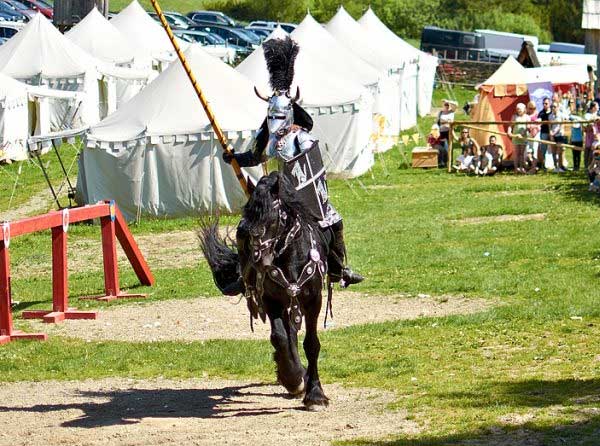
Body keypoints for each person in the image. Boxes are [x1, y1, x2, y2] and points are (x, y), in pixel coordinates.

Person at [223, 36, 363, 288]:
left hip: (303, 198)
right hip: (276, 194)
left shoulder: (302, 138)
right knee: (247, 227)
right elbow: (256, 157)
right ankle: (243, 276)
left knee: (335, 221)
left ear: (290, 113)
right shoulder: (266, 137)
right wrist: (234, 158)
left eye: (280, 114)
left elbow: (312, 169)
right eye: (271, 114)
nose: (275, 120)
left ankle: (338, 270)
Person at [508, 103, 530, 174]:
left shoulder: (527, 117)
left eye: (520, 109)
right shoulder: (514, 117)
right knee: (516, 153)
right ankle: (516, 168)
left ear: (524, 109)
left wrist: (522, 134)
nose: (518, 110)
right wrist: (509, 132)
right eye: (517, 109)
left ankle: (521, 167)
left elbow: (528, 127)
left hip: (523, 137)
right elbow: (510, 126)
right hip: (516, 137)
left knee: (522, 153)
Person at [549, 101, 567, 172]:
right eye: (552, 107)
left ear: (558, 107)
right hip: (553, 135)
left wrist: (554, 133)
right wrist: (551, 134)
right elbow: (549, 125)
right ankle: (555, 166)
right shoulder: (550, 116)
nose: (553, 108)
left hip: (559, 134)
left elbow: (561, 125)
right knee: (553, 151)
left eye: (555, 106)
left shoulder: (561, 115)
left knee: (560, 151)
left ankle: (560, 166)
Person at [538, 97, 552, 171]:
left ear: (549, 104)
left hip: (553, 133)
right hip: (544, 133)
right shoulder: (541, 113)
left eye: (546, 103)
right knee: (543, 149)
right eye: (543, 103)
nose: (544, 105)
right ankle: (543, 166)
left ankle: (557, 165)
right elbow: (539, 120)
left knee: (555, 149)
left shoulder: (553, 112)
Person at [584, 101, 599, 169]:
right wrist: (593, 120)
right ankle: (587, 168)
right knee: (588, 153)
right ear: (593, 108)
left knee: (595, 154)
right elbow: (586, 126)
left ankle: (594, 169)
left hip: (596, 136)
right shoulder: (587, 115)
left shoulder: (597, 114)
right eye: (597, 106)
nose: (598, 107)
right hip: (589, 137)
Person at [526, 101, 541, 172]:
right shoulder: (526, 115)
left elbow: (539, 124)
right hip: (529, 134)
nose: (532, 110)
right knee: (528, 152)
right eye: (530, 108)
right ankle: (533, 166)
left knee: (535, 150)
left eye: (534, 108)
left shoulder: (538, 114)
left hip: (536, 134)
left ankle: (534, 167)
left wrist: (532, 126)